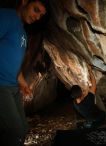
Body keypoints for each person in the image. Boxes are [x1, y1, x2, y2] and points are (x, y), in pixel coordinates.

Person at [0, 0, 47, 145]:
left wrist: (23, 83)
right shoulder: (6, 16)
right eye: (36, 9)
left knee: (23, 129)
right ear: (25, 1)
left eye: (41, 15)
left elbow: (15, 63)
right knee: (16, 131)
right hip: (1, 86)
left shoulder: (23, 33)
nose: (37, 17)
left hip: (13, 87)